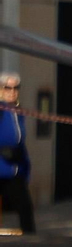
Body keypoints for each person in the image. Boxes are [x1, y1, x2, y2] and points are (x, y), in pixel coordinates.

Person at [0, 73, 35, 234]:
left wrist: (26, 169)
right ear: (1, 89)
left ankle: (31, 245)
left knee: (25, 208)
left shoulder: (18, 112)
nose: (12, 91)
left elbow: (21, 143)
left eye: (15, 88)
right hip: (1, 167)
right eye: (8, 87)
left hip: (15, 170)